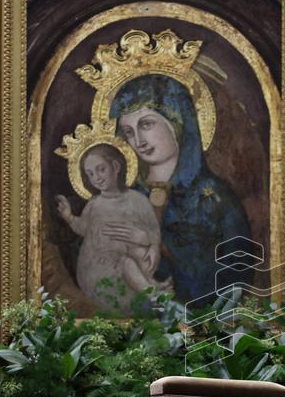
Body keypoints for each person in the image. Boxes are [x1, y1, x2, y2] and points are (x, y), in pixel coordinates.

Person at [109, 74, 252, 306]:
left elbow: (238, 268)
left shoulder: (215, 198)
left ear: (177, 122)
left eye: (146, 124)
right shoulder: (123, 195)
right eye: (128, 131)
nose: (138, 141)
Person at [56, 144, 166, 312]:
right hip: (98, 269)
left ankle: (152, 286)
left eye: (101, 169)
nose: (96, 178)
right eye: (90, 174)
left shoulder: (138, 200)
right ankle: (153, 294)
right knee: (127, 262)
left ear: (115, 167)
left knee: (139, 253)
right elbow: (83, 228)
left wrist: (153, 246)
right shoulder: (94, 205)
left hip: (129, 261)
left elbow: (153, 230)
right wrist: (69, 217)